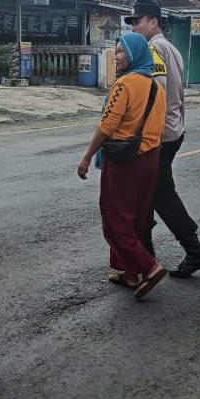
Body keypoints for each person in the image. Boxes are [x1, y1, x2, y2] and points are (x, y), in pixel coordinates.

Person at [77, 33, 168, 300]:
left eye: (121, 52)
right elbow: (160, 127)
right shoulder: (157, 88)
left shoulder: (124, 84)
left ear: (135, 54)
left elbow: (107, 126)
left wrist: (87, 156)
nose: (116, 57)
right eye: (116, 51)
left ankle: (149, 267)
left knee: (115, 218)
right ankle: (129, 273)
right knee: (136, 218)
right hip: (151, 159)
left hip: (125, 160)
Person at [125, 7, 200, 278]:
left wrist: (140, 127)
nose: (134, 28)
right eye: (132, 23)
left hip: (159, 135)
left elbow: (157, 88)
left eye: (138, 22)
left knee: (161, 194)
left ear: (153, 21)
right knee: (146, 194)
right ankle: (145, 258)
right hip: (172, 130)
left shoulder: (153, 48)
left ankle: (194, 252)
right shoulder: (171, 48)